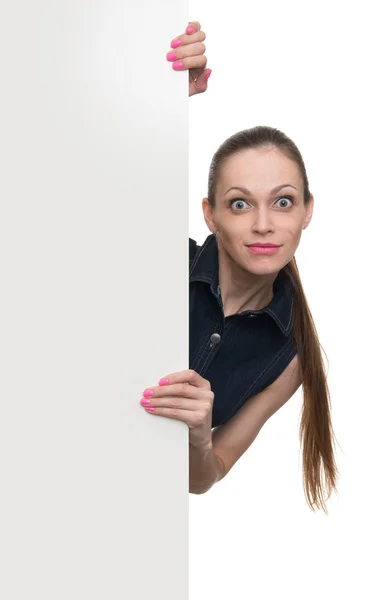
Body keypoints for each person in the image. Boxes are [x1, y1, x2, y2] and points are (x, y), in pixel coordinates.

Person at [139, 22, 338, 513]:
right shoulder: (153, 252)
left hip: (134, 524)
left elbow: (204, 478)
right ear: (210, 214)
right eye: (240, 204)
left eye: (284, 202)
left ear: (308, 211)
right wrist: (160, 94)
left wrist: (200, 440)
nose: (265, 225)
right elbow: (83, 179)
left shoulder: (289, 358)